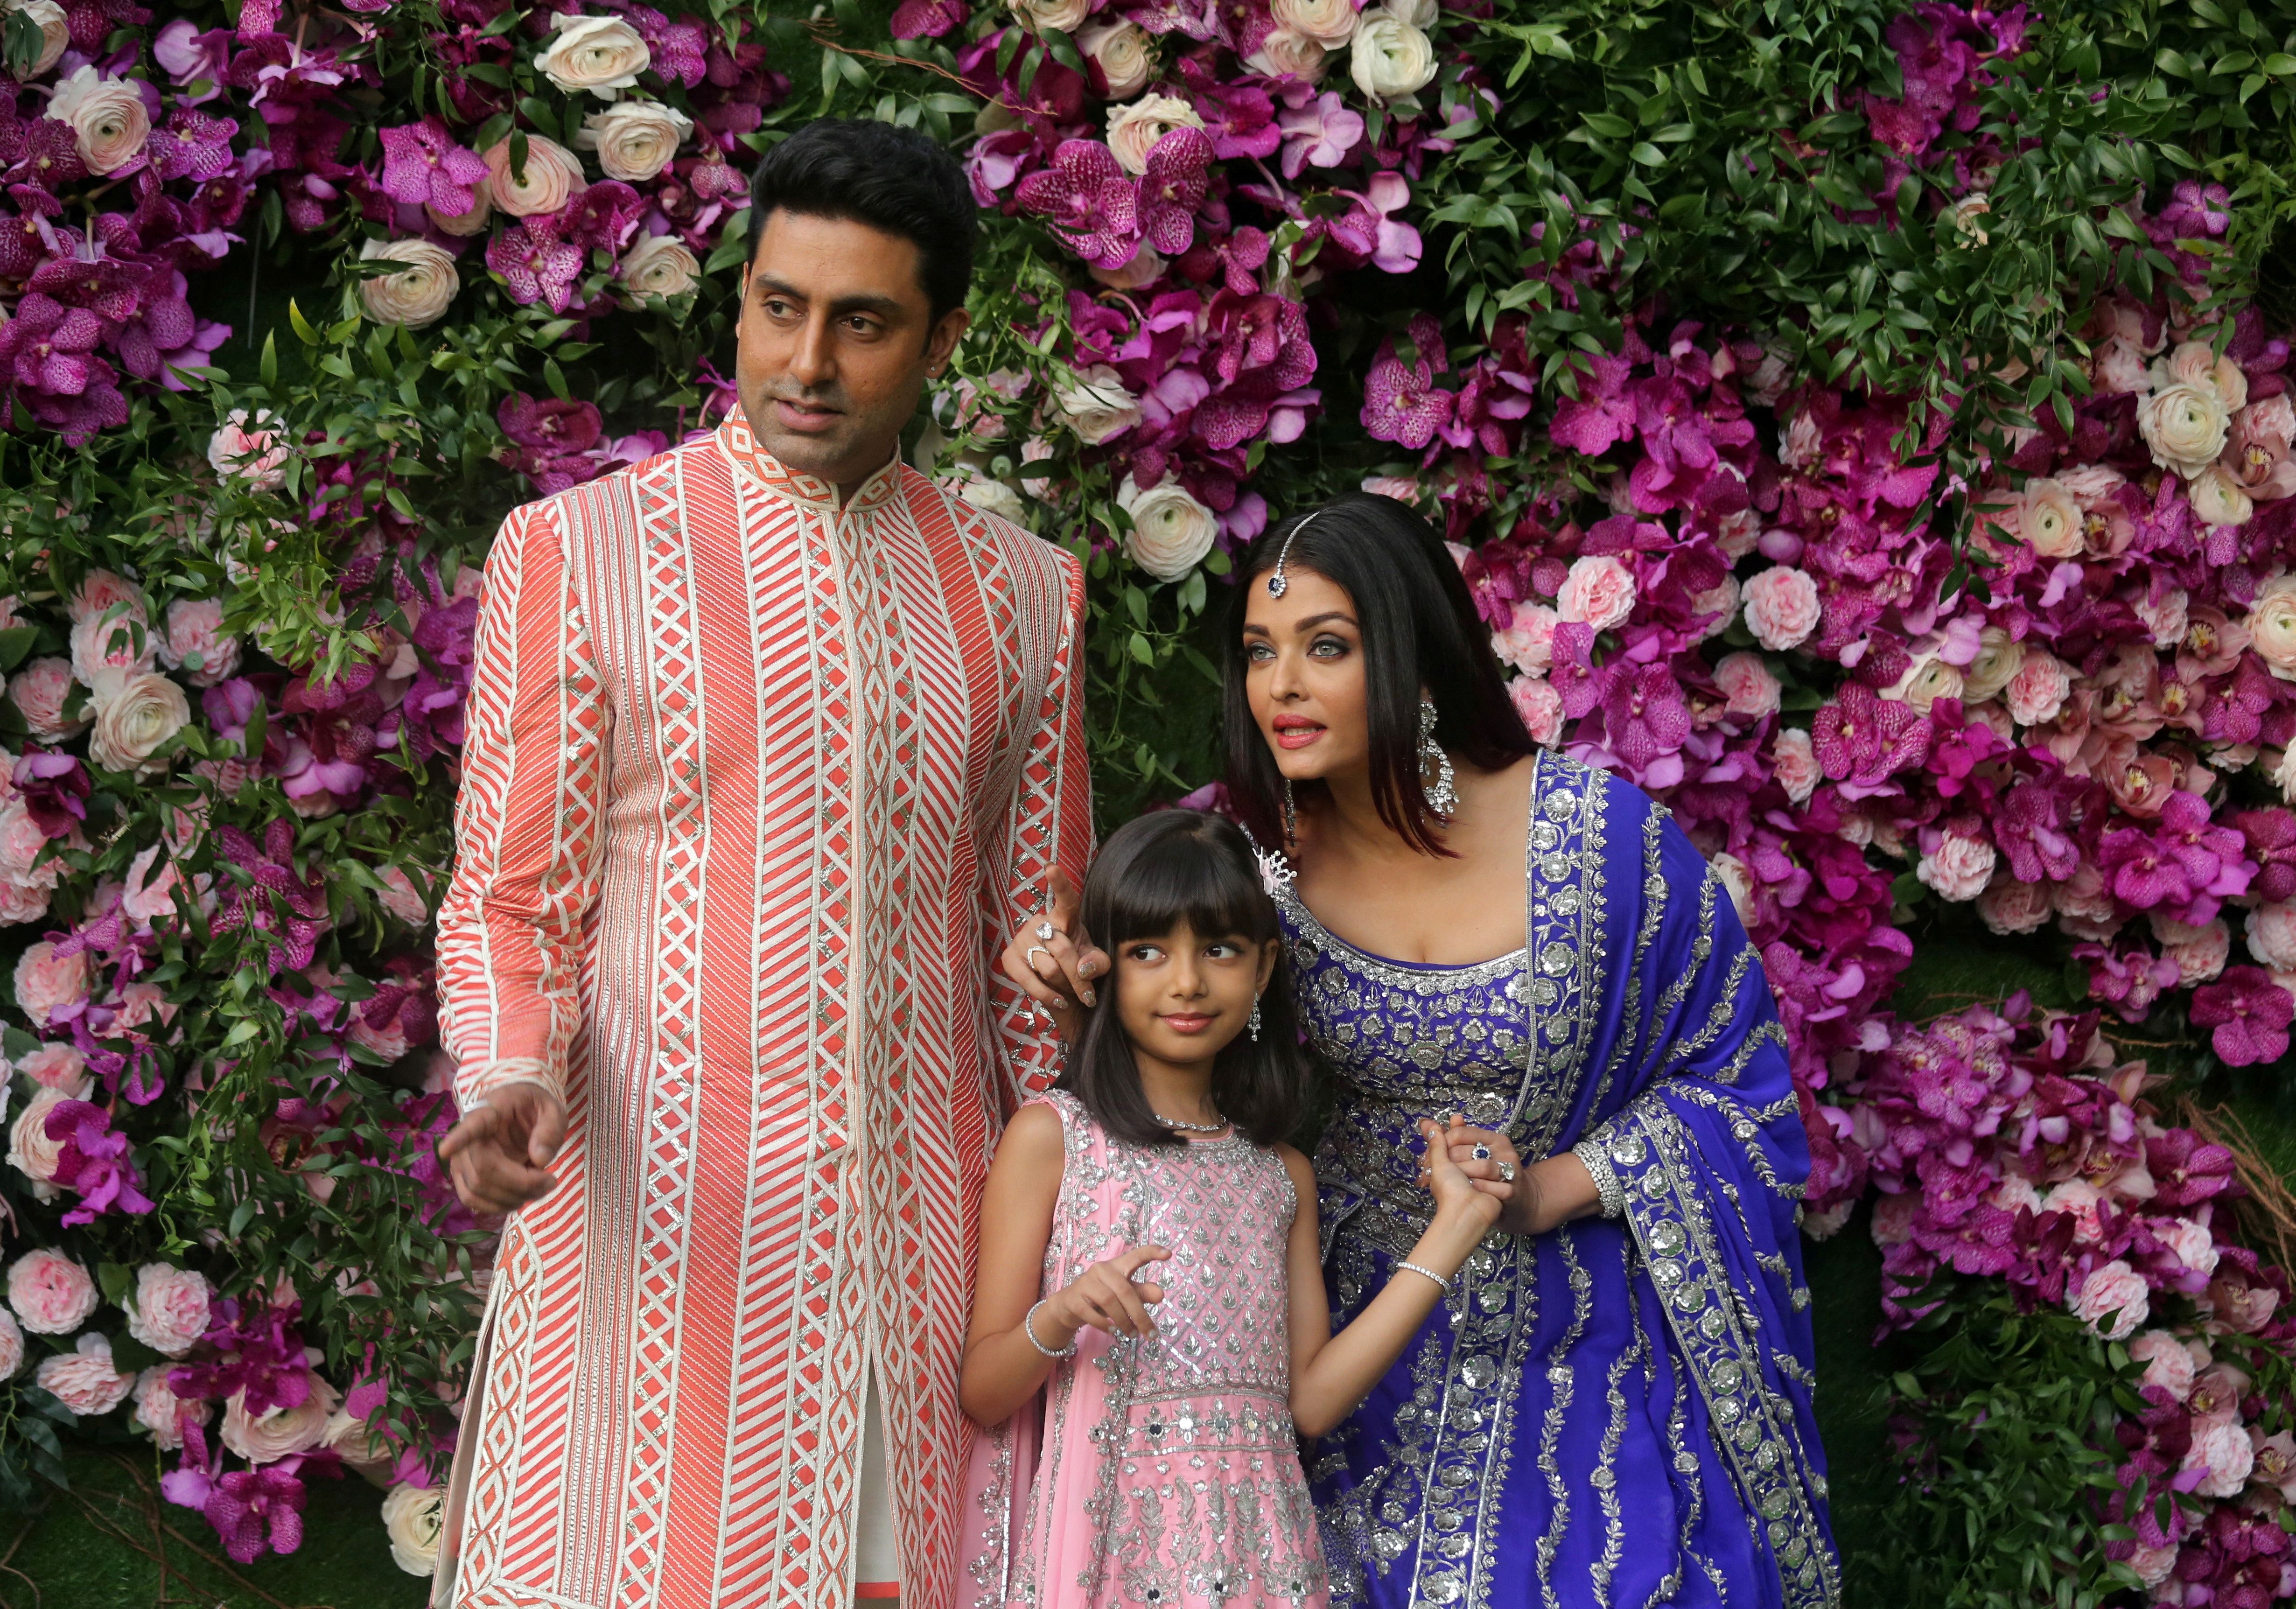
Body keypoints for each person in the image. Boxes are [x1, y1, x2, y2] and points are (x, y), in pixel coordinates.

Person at [429, 119, 1093, 1609]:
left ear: (940, 340)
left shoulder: (1027, 595)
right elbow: (514, 895)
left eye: (862, 324)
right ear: (739, 302)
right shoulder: (581, 553)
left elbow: (1036, 923)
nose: (806, 362)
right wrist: (505, 1077)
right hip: (660, 1246)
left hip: (928, 1246)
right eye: (779, 308)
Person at [1009, 494, 1838, 1609]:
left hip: (1584, 1318)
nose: (1282, 687)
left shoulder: (1604, 843)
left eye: (1327, 647)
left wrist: (1542, 1189)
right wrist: (1071, 986)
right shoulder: (1249, 854)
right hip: (1352, 1321)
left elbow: (1738, 1086)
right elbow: (1157, 1011)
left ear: (1413, 655)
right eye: (1260, 652)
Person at [959, 809, 1503, 1608]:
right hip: (1107, 1550)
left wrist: (1452, 1232)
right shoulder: (1055, 1137)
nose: (1186, 982)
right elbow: (982, 1388)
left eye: (1218, 950)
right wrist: (1063, 1312)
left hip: (1262, 1554)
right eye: (1149, 952)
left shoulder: (1280, 1175)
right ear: (1102, 964)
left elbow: (1310, 1402)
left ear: (1263, 966)